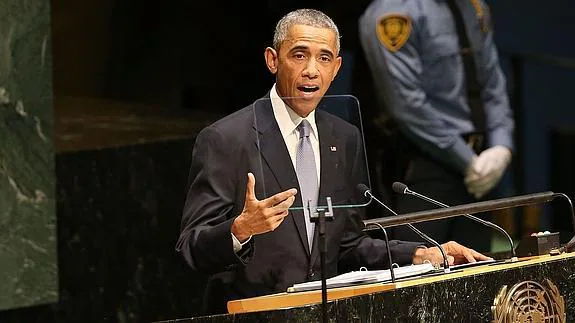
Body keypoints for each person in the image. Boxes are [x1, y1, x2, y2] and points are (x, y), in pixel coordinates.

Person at [177, 8, 490, 314]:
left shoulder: (343, 138)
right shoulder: (226, 139)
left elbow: (350, 245)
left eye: (324, 58)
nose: (312, 69)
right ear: (273, 60)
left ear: (337, 67)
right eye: (299, 55)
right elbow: (192, 247)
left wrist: (423, 254)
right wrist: (240, 228)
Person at [358, 0, 515, 251]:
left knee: (479, 269)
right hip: (423, 166)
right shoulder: (392, 14)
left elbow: (492, 82)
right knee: (418, 272)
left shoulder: (473, 7)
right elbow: (407, 104)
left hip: (481, 167)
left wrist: (501, 146)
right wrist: (468, 161)